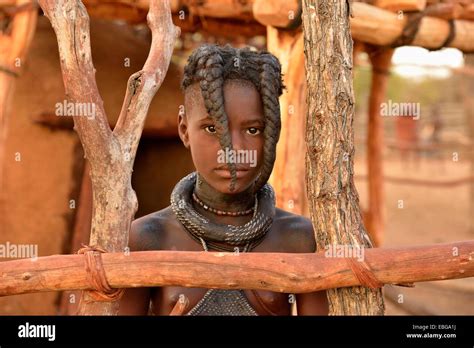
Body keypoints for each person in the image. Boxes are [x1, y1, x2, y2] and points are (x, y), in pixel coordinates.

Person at [118, 44, 329, 315]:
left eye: (253, 129)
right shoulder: (148, 237)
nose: (233, 150)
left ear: (273, 132)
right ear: (184, 129)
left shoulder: (298, 239)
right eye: (212, 128)